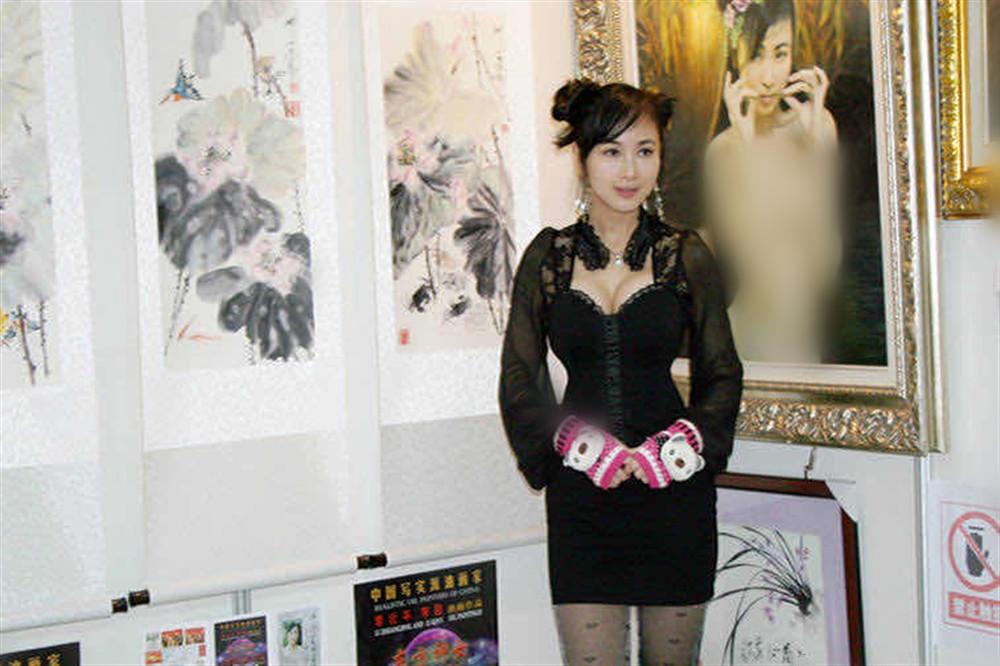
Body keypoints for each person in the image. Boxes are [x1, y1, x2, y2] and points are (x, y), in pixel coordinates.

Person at [498, 79, 743, 665]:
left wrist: (679, 444)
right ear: (582, 159)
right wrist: (572, 442)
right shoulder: (548, 257)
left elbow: (722, 372)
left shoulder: (686, 254)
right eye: (612, 151)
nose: (631, 170)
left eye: (645, 150)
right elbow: (518, 376)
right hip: (583, 497)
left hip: (673, 490)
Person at [705, 0, 841, 363]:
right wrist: (748, 150)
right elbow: (755, 270)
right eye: (754, 55)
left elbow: (825, 267)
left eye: (780, 54)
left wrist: (818, 154)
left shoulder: (817, 127)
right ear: (734, 56)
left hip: (804, 342)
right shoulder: (724, 150)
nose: (768, 76)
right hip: (750, 342)